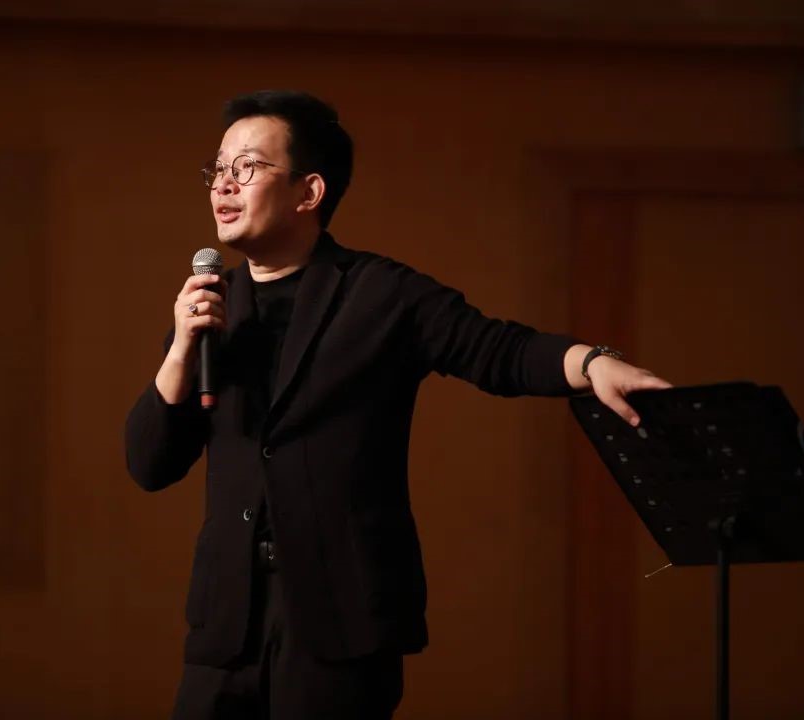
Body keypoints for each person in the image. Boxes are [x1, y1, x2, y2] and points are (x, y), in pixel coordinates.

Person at [124, 90, 671, 720]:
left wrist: (593, 361)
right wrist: (180, 350)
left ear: (309, 192)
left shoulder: (379, 293)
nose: (224, 184)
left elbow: (498, 349)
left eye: (246, 167)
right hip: (228, 624)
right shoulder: (211, 309)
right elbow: (149, 464)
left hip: (340, 624)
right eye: (218, 169)